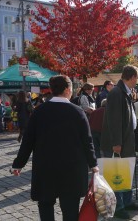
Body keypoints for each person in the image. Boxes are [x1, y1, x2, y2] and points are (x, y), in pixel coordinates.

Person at [11, 75, 98, 221]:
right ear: (67, 89)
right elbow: (87, 141)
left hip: (46, 167)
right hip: (72, 168)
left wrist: (18, 164)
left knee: (45, 207)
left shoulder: (39, 111)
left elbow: (28, 141)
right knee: (70, 209)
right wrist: (93, 164)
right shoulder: (77, 112)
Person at [101, 65, 138, 219]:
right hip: (119, 142)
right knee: (116, 175)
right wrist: (116, 143)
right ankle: (118, 206)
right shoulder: (117, 93)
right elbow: (114, 121)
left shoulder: (124, 92)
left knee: (126, 173)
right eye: (136, 78)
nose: (137, 81)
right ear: (132, 77)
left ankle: (127, 201)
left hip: (126, 140)